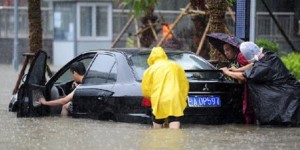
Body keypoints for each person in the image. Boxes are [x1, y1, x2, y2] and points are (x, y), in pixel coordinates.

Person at [220, 41, 300, 126]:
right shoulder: (268, 55)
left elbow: (244, 77)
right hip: (290, 93)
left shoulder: (264, 67)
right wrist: (237, 70)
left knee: (287, 123)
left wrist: (227, 72)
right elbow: (253, 65)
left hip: (289, 98)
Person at [141, 47, 189, 129]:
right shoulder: (176, 66)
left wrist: (150, 98)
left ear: (151, 57)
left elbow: (146, 90)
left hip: (159, 99)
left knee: (157, 124)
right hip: (175, 98)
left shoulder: (150, 70)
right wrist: (182, 98)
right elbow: (184, 84)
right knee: (174, 120)